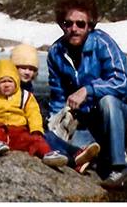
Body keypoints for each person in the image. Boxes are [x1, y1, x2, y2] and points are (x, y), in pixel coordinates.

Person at [47, 0, 127, 188]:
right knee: (52, 137)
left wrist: (88, 90)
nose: (74, 29)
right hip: (85, 122)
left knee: (108, 101)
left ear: (90, 25)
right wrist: (56, 124)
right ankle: (89, 156)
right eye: (68, 24)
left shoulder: (103, 43)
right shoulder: (56, 52)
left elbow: (122, 82)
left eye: (80, 24)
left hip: (115, 116)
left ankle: (120, 165)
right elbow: (57, 95)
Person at [11, 41, 100, 173]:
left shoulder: (27, 87)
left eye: (31, 69)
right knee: (46, 139)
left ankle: (79, 154)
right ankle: (74, 159)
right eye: (23, 68)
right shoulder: (8, 86)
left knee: (50, 136)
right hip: (15, 131)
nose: (27, 72)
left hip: (27, 129)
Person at [0, 58, 67, 167]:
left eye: (10, 81)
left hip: (19, 131)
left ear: (16, 81)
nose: (7, 85)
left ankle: (47, 153)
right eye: (2, 81)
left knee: (36, 139)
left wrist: (36, 129)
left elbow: (33, 114)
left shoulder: (25, 96)